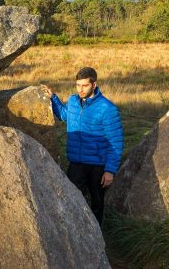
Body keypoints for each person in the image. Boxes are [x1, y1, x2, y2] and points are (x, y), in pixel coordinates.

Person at [41, 67, 123, 226]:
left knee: (97, 203)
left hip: (98, 166)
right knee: (70, 199)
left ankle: (97, 238)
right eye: (78, 85)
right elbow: (65, 115)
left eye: (84, 85)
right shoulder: (73, 101)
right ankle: (74, 233)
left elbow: (116, 141)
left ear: (94, 84)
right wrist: (54, 99)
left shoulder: (108, 109)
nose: (80, 89)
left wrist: (110, 170)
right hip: (76, 163)